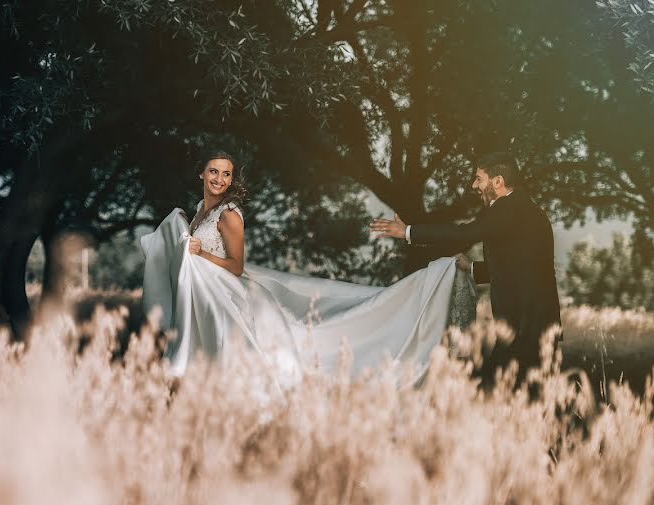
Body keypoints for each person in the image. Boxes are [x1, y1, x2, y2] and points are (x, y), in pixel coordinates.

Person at [140, 151, 473, 388]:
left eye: (226, 174)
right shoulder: (198, 210)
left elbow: (236, 266)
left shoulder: (229, 214)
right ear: (201, 173)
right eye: (214, 171)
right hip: (208, 296)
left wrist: (200, 255)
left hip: (229, 296)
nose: (220, 179)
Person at [369, 153, 561, 385]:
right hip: (533, 321)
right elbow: (516, 267)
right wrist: (470, 267)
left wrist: (408, 231)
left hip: (524, 324)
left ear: (497, 181)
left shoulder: (508, 209)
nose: (474, 185)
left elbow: (464, 234)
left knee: (504, 390)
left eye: (479, 179)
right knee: (515, 393)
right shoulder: (524, 210)